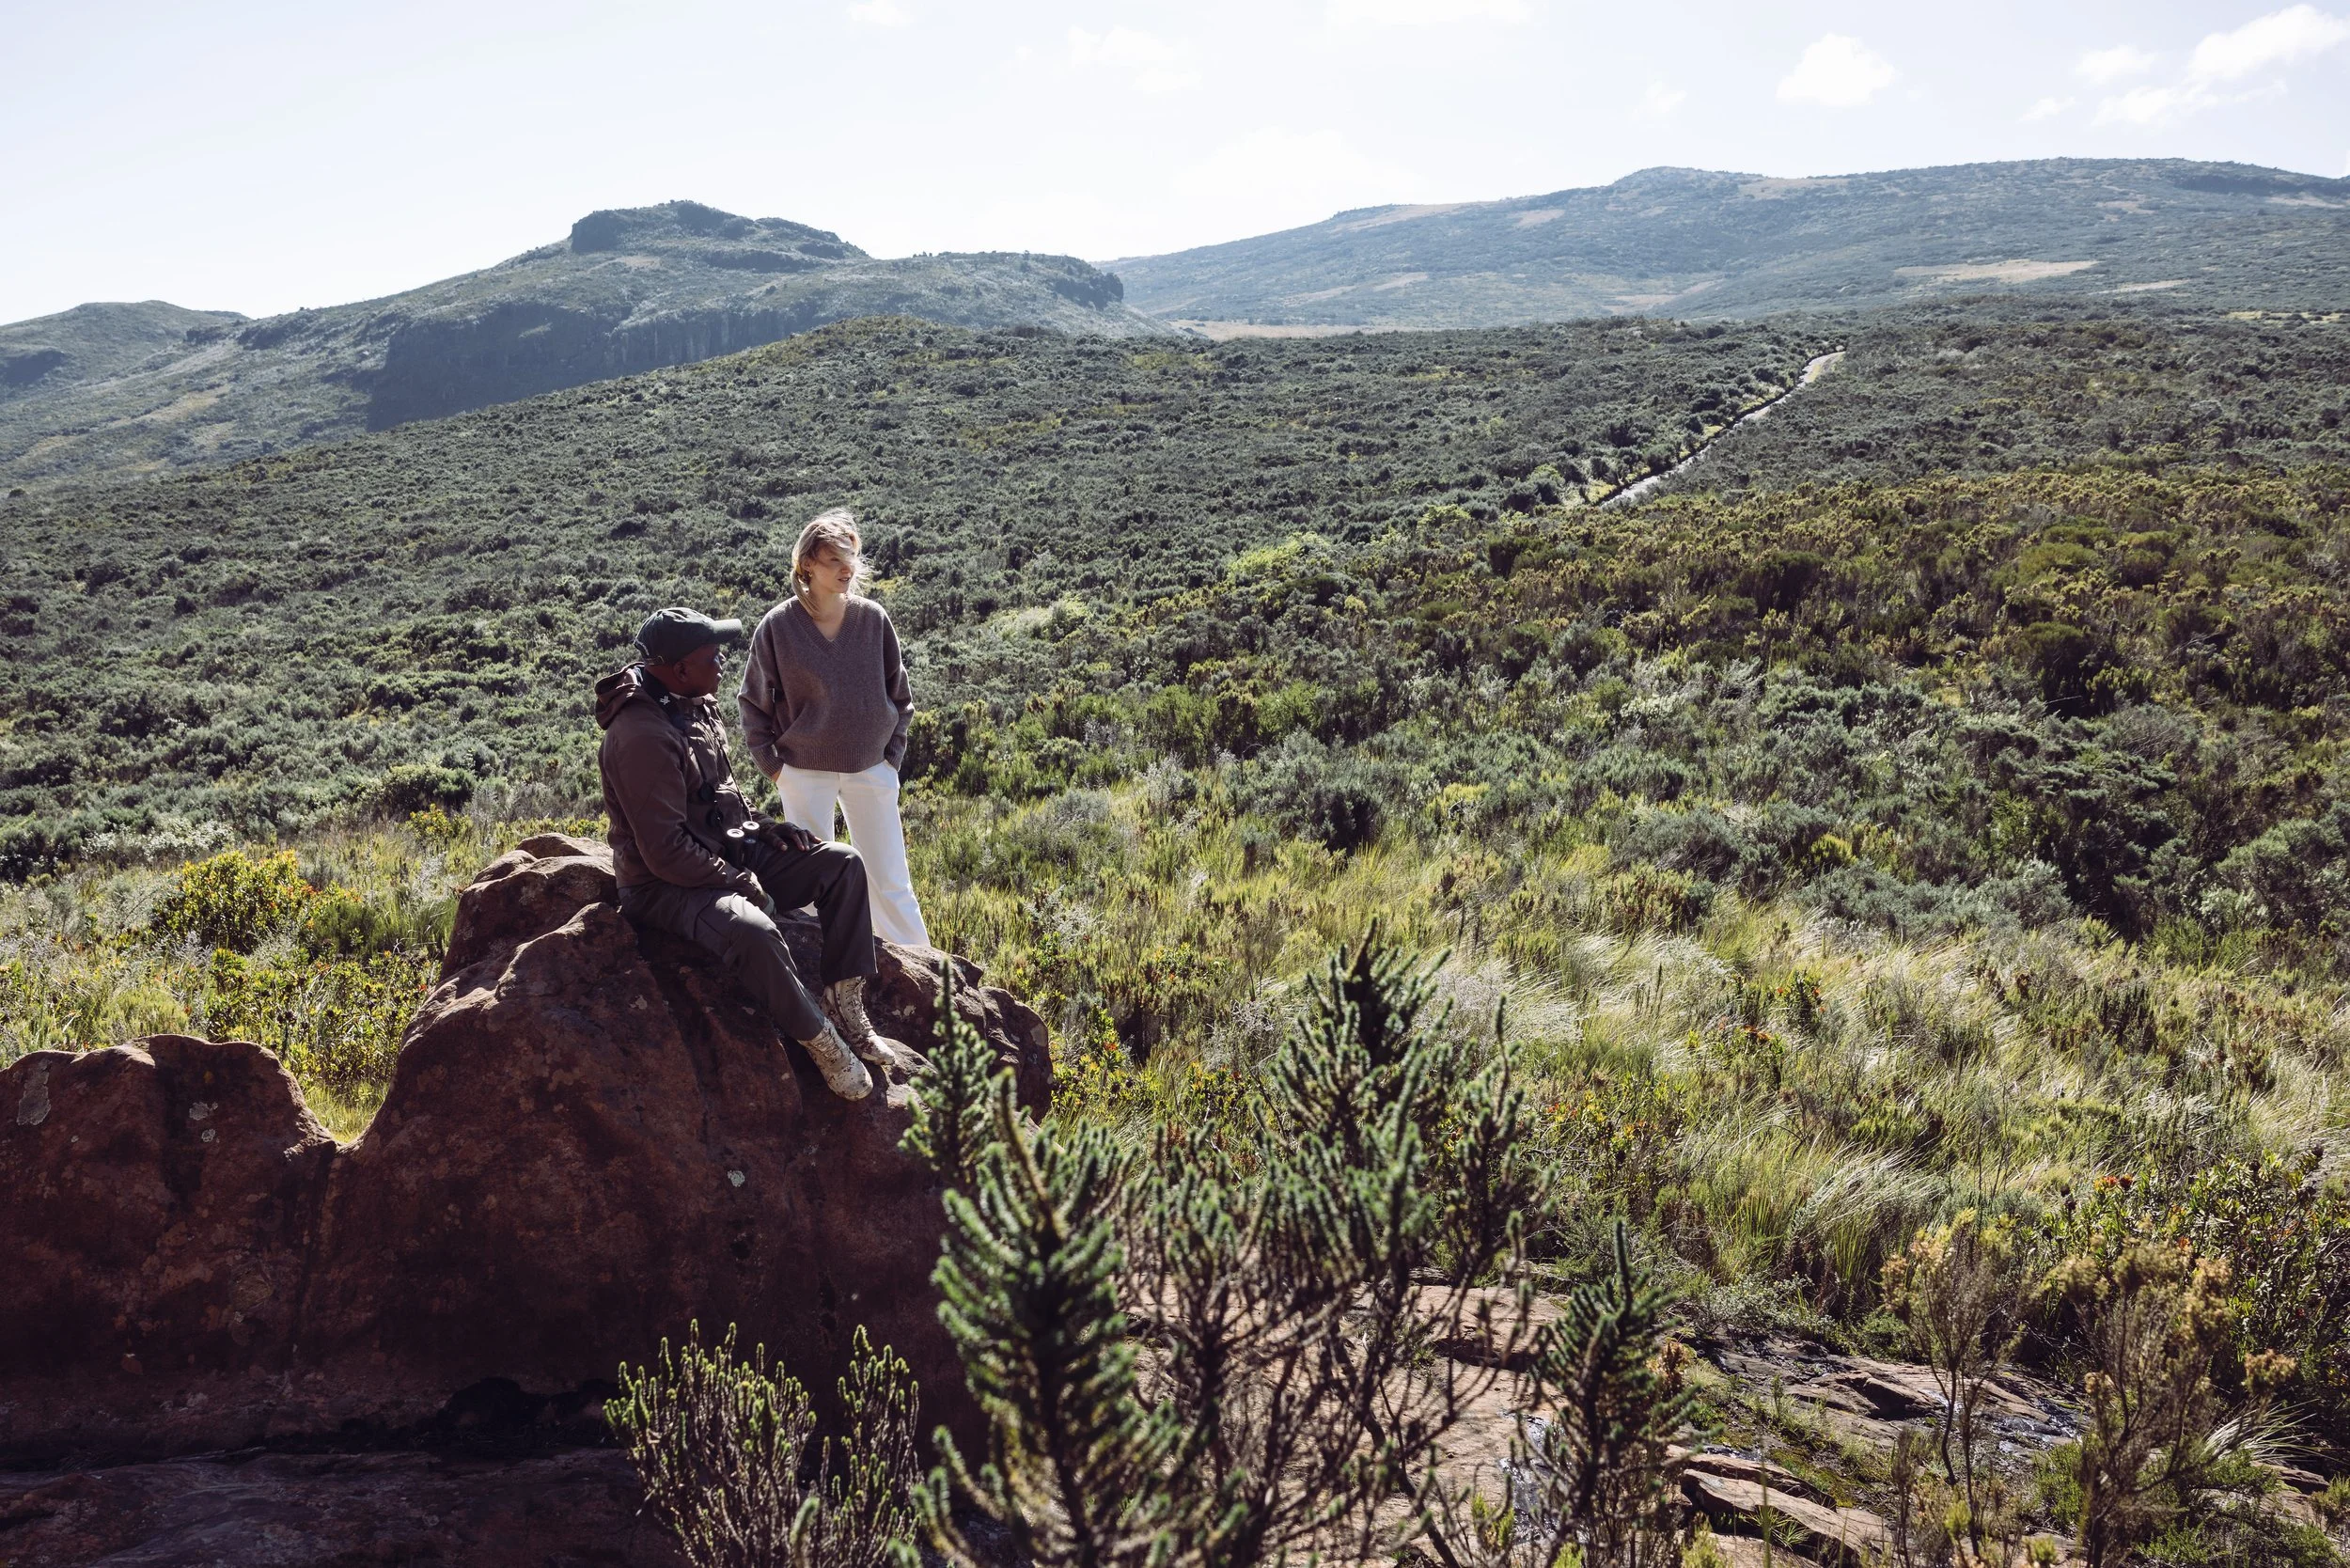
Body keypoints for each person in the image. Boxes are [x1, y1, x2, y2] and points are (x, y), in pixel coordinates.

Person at [595, 606, 919, 1101]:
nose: (722, 664)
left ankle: (843, 1002)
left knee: (841, 864)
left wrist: (764, 829)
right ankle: (823, 1042)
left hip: (724, 852)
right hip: (664, 885)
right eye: (712, 656)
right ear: (680, 668)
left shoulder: (690, 700)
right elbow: (665, 853)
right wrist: (740, 881)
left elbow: (718, 795)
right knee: (754, 930)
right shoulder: (642, 735)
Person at [738, 509, 931, 948]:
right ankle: (819, 976)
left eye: (852, 558)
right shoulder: (778, 627)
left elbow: (900, 696)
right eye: (834, 560)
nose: (848, 569)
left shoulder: (873, 619)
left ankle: (929, 984)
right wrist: (774, 767)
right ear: (807, 564)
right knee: (809, 889)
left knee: (890, 883)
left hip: (871, 769)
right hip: (803, 772)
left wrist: (891, 759)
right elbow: (752, 702)